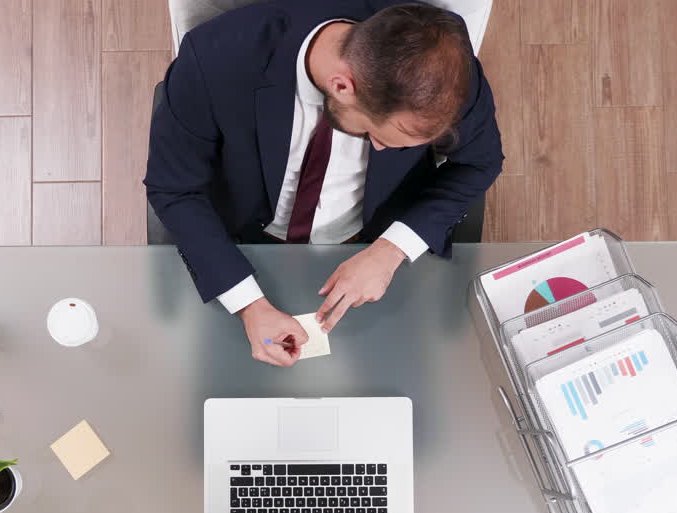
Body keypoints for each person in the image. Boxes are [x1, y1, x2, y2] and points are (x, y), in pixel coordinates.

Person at [145, 0, 503, 367]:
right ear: (342, 86)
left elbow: (480, 162)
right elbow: (173, 188)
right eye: (373, 135)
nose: (383, 149)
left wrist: (391, 249)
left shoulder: (442, 68)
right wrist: (248, 304)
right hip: (240, 244)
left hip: (376, 245)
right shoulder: (213, 59)